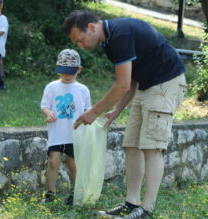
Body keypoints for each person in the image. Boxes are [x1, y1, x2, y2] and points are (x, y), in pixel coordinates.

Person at [64, 10, 187, 218]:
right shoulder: (110, 42)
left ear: (92, 27)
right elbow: (129, 81)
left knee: (152, 147)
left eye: (80, 40)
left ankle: (146, 209)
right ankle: (131, 204)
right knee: (131, 145)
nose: (80, 45)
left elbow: (121, 84)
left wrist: (94, 111)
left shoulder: (120, 34)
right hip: (145, 85)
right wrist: (115, 111)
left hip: (166, 83)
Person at [40, 49, 91, 204]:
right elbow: (44, 105)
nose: (66, 76)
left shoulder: (83, 90)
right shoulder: (52, 87)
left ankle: (75, 193)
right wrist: (48, 113)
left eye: (70, 72)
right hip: (57, 133)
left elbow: (88, 110)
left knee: (73, 164)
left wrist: (86, 119)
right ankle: (50, 193)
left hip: (75, 134)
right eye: (63, 72)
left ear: (79, 70)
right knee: (53, 162)